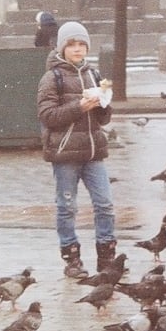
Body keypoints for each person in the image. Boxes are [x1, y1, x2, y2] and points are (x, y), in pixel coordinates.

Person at [37, 21, 116, 275]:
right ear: (62, 47)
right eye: (72, 44)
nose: (78, 49)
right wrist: (78, 107)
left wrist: (103, 103)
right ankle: (72, 259)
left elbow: (103, 120)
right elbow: (47, 115)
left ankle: (106, 258)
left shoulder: (93, 74)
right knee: (67, 206)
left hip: (93, 152)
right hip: (66, 153)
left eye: (82, 44)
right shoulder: (53, 78)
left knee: (104, 203)